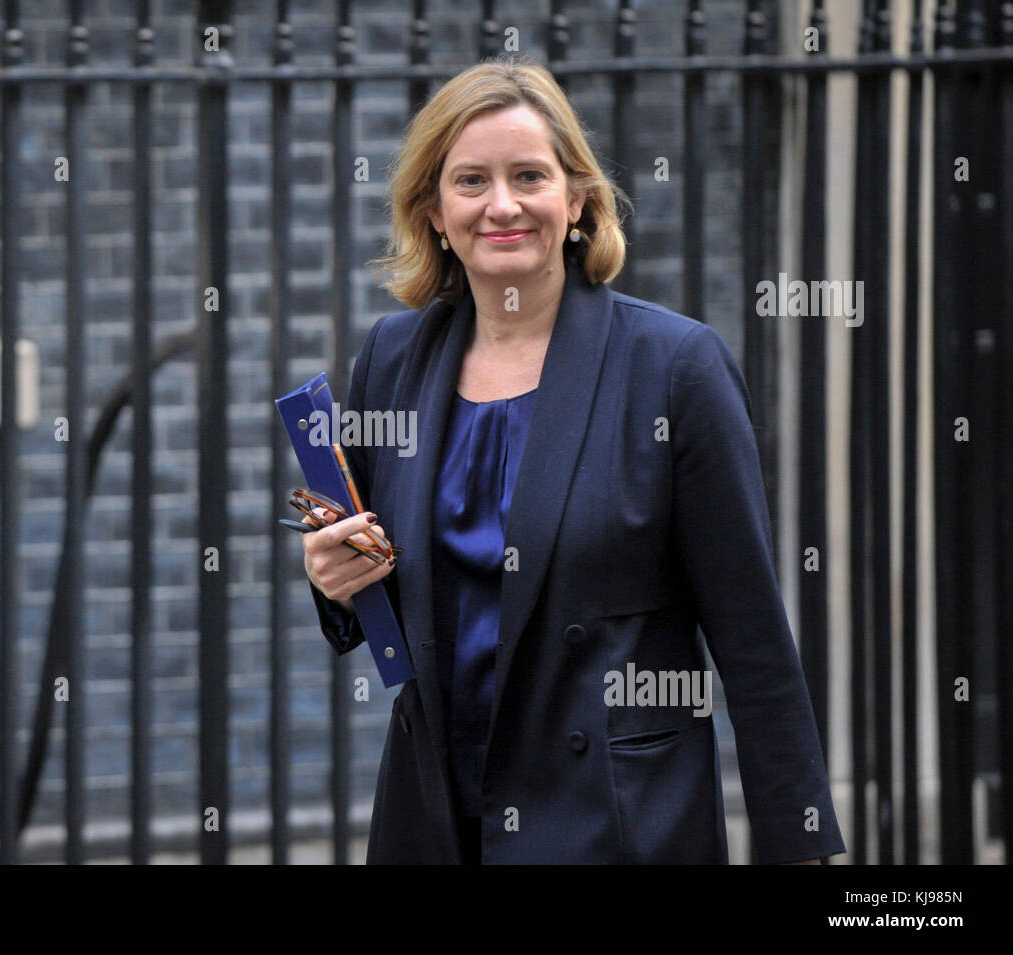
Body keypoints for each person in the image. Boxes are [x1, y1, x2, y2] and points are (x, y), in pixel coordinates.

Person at [298, 55, 844, 865]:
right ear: (435, 212)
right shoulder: (391, 359)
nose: (503, 205)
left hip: (616, 823)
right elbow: (375, 569)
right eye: (472, 181)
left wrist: (799, 842)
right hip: (435, 821)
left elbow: (751, 632)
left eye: (530, 176)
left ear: (578, 199)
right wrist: (334, 581)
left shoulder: (674, 366)